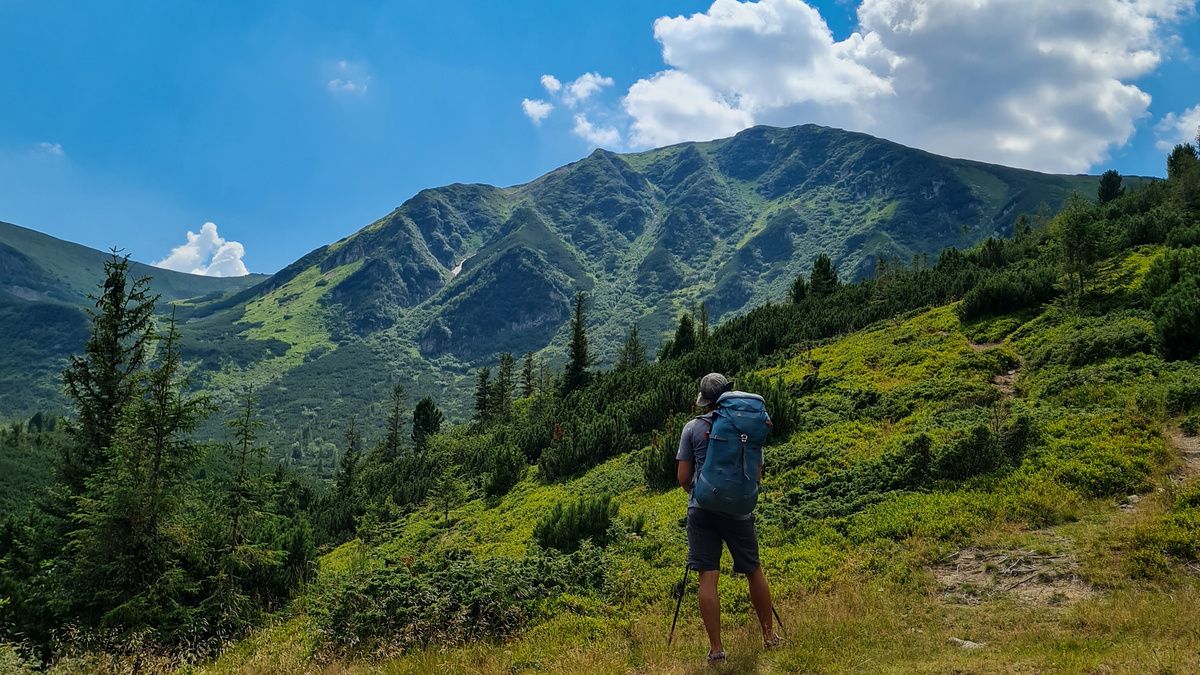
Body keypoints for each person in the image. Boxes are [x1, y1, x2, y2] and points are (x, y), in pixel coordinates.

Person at [676, 372, 781, 664]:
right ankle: (769, 637)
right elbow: (757, 474)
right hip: (739, 511)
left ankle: (717, 650)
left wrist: (698, 492)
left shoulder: (692, 429)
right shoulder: (747, 428)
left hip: (702, 509)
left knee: (708, 576)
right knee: (753, 570)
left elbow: (683, 476)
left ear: (704, 401)